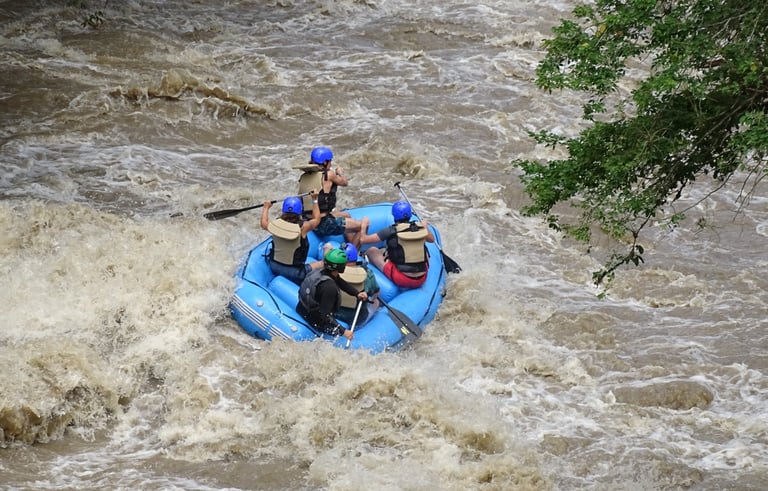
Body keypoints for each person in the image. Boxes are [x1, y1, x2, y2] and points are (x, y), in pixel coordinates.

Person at [359, 200, 435, 288]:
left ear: (394, 216)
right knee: (423, 249)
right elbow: (431, 240)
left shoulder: (390, 230)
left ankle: (375, 274)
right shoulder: (419, 228)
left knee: (372, 250)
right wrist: (424, 226)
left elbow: (363, 240)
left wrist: (364, 225)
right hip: (422, 278)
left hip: (401, 279)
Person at [296, 248, 368, 341]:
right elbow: (324, 315)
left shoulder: (320, 272)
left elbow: (340, 282)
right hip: (314, 320)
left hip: (302, 308)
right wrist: (343, 331)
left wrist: (357, 294)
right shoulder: (330, 288)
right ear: (341, 267)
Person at [297, 146, 362, 247]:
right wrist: (340, 172)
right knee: (360, 226)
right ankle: (353, 254)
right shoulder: (329, 175)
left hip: (308, 220)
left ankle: (349, 245)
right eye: (330, 161)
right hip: (323, 223)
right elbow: (344, 183)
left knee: (347, 215)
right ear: (324, 162)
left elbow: (300, 200)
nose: (331, 163)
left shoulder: (303, 177)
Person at [260, 190, 321, 285]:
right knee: (323, 263)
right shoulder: (304, 227)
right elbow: (317, 218)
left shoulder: (275, 225)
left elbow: (263, 223)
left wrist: (266, 207)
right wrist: (314, 199)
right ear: (300, 211)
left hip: (274, 266)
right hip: (295, 272)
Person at [328, 242, 380, 325]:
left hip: (333, 313)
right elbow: (376, 292)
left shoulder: (333, 271)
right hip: (356, 318)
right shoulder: (367, 273)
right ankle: (362, 326)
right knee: (376, 301)